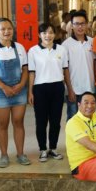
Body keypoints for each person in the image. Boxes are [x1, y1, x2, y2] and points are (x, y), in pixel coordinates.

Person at [0, 17, 30, 168]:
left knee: (18, 122)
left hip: (19, 91)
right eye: (3, 29)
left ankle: (21, 154)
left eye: (9, 28)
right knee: (2, 124)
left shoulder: (19, 48)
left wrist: (21, 85)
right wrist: (4, 87)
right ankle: (4, 155)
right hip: (0, 92)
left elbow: (25, 69)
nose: (6, 31)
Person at [27, 23, 73, 162]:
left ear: (55, 34)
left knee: (55, 121)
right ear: (39, 35)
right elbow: (31, 73)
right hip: (40, 89)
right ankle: (42, 149)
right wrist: (30, 92)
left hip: (57, 87)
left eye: (51, 32)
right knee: (41, 121)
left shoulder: (61, 49)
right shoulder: (33, 51)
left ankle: (53, 148)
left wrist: (70, 89)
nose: (48, 35)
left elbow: (65, 70)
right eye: (44, 33)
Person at [62, 10, 96, 121]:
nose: (80, 27)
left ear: (87, 24)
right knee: (73, 119)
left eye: (82, 23)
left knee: (89, 118)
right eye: (76, 24)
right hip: (74, 89)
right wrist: (69, 89)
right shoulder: (66, 45)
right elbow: (65, 69)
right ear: (72, 26)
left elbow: (95, 64)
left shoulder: (93, 42)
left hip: (90, 87)